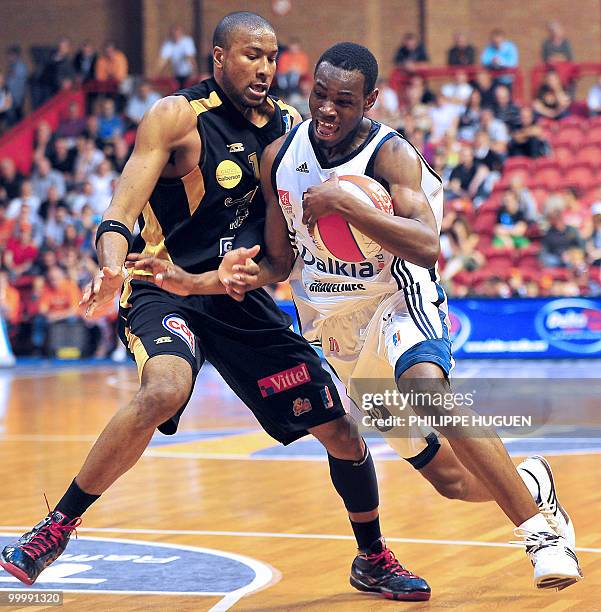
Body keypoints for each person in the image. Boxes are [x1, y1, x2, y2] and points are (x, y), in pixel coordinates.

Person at [0, 13, 430, 602]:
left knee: (343, 432)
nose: (265, 68)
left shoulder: (288, 127)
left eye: (273, 57)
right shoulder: (175, 116)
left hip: (235, 293)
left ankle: (372, 558)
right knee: (164, 389)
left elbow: (292, 237)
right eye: (251, 55)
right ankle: (56, 529)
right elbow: (121, 208)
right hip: (163, 284)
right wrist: (108, 262)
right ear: (218, 58)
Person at [133, 42, 583, 591]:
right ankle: (532, 483)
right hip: (336, 328)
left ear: (369, 101)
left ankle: (542, 536)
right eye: (319, 95)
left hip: (397, 300)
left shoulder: (388, 154)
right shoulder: (280, 156)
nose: (326, 109)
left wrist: (348, 205)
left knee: (428, 394)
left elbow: (427, 245)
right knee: (449, 481)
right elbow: (277, 263)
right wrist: (196, 281)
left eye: (343, 101)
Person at [157, 25, 197, 89]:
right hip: (177, 73)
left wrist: (194, 71)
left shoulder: (187, 41)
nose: (176, 35)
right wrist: (157, 73)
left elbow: (190, 57)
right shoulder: (169, 43)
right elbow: (163, 59)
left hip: (188, 73)